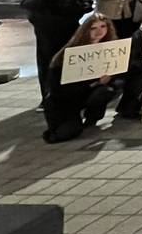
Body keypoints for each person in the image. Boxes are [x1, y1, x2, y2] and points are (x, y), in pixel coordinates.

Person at [21, 0, 96, 108]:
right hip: (49, 26)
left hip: (71, 22)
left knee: (72, 60)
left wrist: (85, 1)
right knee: (49, 61)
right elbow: (27, 3)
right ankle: (48, 98)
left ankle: (71, 97)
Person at [42, 13, 120, 143]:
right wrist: (93, 83)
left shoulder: (109, 48)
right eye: (93, 28)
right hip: (64, 98)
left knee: (105, 91)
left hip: (86, 93)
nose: (99, 31)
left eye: (103, 26)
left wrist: (108, 79)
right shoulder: (71, 51)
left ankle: (91, 118)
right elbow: (56, 86)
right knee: (65, 133)